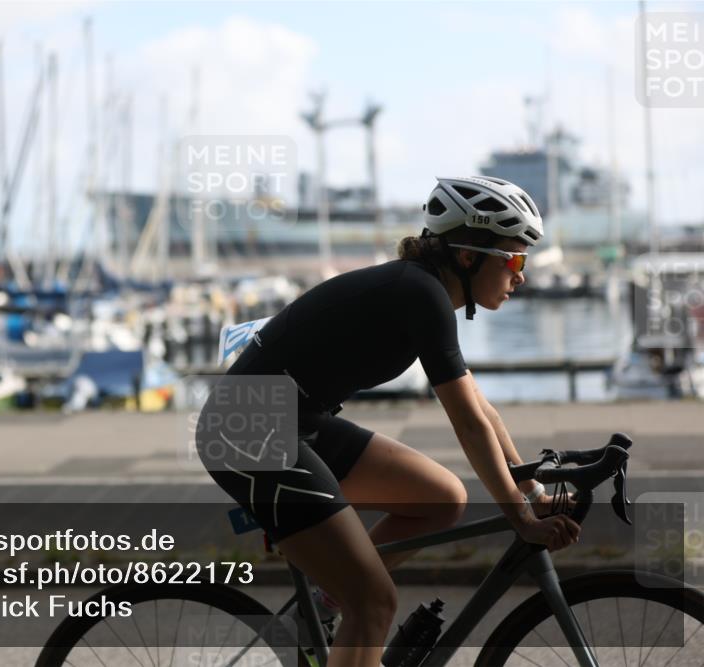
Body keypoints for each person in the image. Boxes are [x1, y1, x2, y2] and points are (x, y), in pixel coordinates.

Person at [195, 176, 581, 666]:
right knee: (374, 602)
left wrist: (534, 493)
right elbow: (466, 423)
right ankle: (349, 603)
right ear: (468, 255)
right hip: (249, 430)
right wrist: (521, 519)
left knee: (441, 499)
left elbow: (481, 407)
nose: (521, 275)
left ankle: (325, 604)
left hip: (295, 421)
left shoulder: (422, 291)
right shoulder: (419, 292)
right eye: (515, 258)